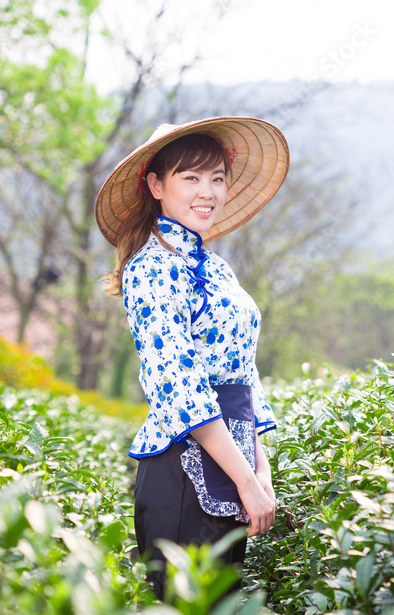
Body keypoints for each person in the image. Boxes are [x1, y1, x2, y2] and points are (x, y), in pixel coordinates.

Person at [94, 117, 290, 601]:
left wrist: (259, 471)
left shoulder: (218, 269)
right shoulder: (151, 269)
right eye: (191, 178)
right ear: (157, 186)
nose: (208, 192)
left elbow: (243, 375)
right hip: (180, 475)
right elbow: (179, 387)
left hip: (231, 466)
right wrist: (246, 478)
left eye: (217, 179)